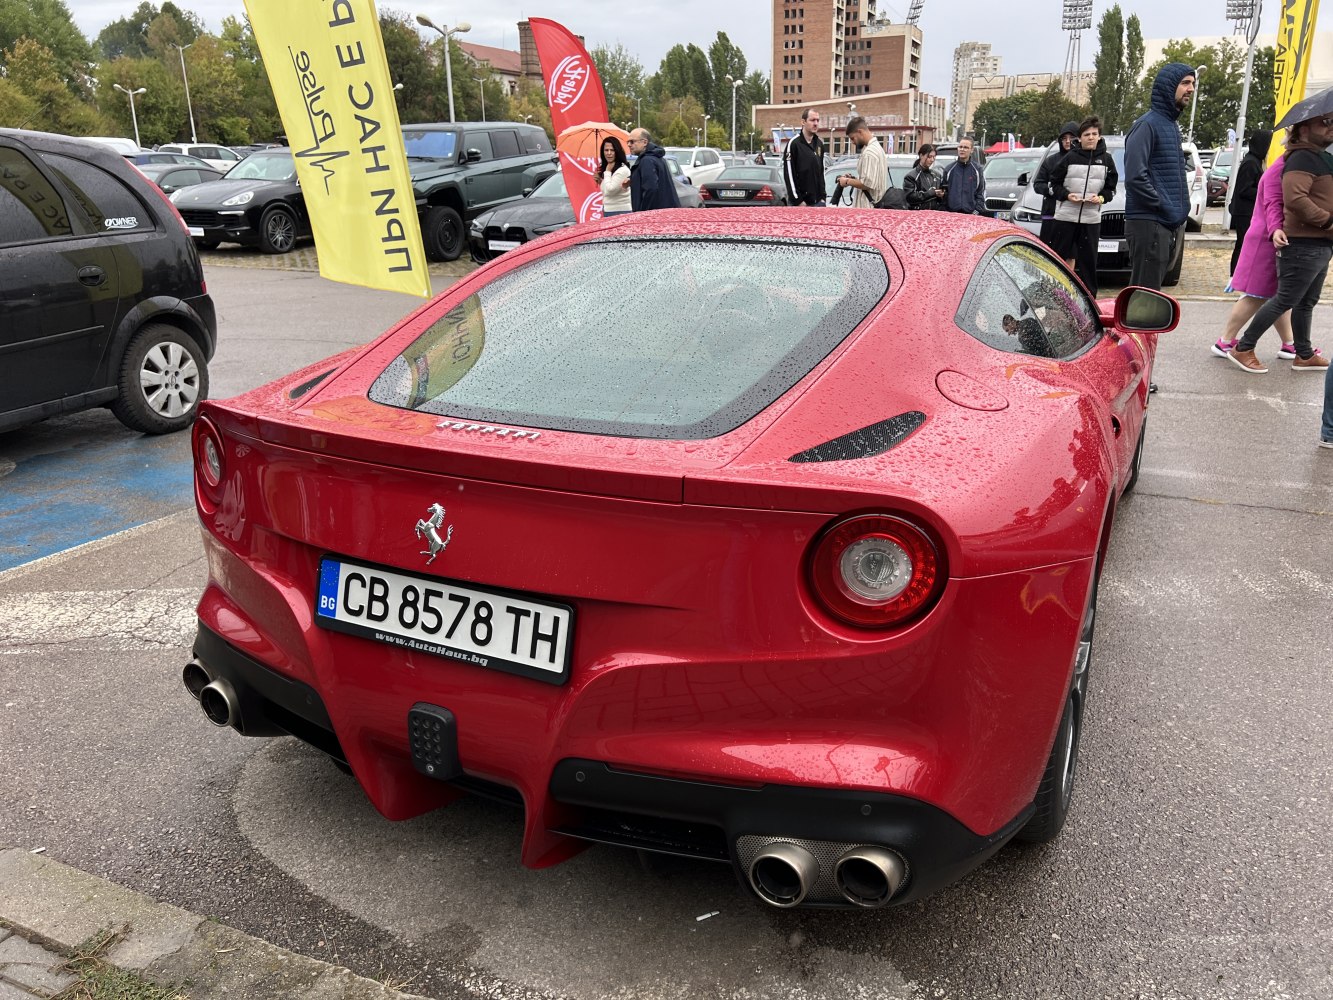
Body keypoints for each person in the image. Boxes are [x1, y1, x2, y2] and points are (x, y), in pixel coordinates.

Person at [1227, 111, 1333, 374]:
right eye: (1326, 122)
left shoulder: (1321, 158)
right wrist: (1328, 221)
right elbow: (1293, 199)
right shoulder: (1300, 159)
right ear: (1304, 129)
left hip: (1320, 242)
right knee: (1283, 298)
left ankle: (1303, 353)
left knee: (1305, 301)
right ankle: (1242, 347)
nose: (1331, 127)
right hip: (1304, 243)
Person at [1211, 155, 1296, 358]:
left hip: (1267, 235)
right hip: (1266, 238)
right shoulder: (1282, 168)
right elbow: (1274, 202)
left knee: (1277, 296)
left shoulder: (1284, 164)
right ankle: (1225, 341)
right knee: (1255, 295)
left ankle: (1289, 343)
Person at [1124, 63, 1196, 290]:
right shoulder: (1147, 125)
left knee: (1152, 295)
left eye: (1193, 83)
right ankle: (1137, 327)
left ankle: (1146, 327)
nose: (1191, 89)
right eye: (1185, 83)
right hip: (1149, 223)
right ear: (1168, 86)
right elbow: (1135, 176)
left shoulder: (1170, 125)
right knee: (1144, 296)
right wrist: (1162, 205)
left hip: (1162, 224)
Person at [1048, 116, 1118, 295]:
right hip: (1065, 217)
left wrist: (1101, 198)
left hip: (1090, 219)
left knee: (1088, 263)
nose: (1091, 137)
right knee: (1058, 261)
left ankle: (1090, 301)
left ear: (1100, 136)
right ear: (1080, 138)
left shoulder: (1107, 160)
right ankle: (1054, 295)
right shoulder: (1070, 157)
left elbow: (1111, 189)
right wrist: (1066, 195)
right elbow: (1053, 184)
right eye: (1087, 134)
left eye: (1094, 134)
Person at [1228, 130, 1272, 275]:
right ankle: (1236, 273)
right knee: (1242, 244)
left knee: (1244, 244)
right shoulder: (1250, 163)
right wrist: (1263, 192)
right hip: (1244, 212)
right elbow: (1244, 190)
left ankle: (1239, 273)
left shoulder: (1255, 161)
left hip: (1246, 211)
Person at [1032, 121, 1079, 244]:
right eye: (1064, 138)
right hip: (1052, 214)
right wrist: (1052, 190)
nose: (1068, 141)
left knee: (1071, 254)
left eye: (1072, 137)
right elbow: (1037, 184)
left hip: (1075, 214)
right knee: (1050, 254)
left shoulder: (1084, 161)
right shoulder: (1050, 161)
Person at [836, 117, 888, 209]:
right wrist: (854, 179)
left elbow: (867, 184)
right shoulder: (877, 148)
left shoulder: (869, 153)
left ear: (860, 132)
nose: (852, 142)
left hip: (867, 209)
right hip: (874, 207)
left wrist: (847, 181)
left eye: (853, 138)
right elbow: (871, 180)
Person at [627, 128, 680, 212]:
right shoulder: (656, 157)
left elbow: (650, 189)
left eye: (632, 141)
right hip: (665, 213)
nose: (629, 145)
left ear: (644, 142)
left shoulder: (647, 160)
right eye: (628, 142)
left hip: (654, 216)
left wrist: (642, 213)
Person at [783, 108, 827, 206]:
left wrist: (823, 197)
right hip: (800, 204)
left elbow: (821, 173)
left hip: (819, 203)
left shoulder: (819, 144)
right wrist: (798, 201)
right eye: (812, 120)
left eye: (817, 120)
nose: (816, 123)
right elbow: (789, 175)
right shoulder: (794, 144)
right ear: (803, 122)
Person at [941, 138, 985, 215]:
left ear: (971, 150)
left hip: (971, 215)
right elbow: (944, 193)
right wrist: (946, 212)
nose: (962, 149)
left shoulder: (977, 170)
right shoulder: (949, 169)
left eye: (966, 147)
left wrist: (976, 211)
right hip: (952, 215)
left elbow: (981, 193)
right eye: (960, 147)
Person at [595, 136, 632, 217]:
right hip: (608, 210)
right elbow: (606, 191)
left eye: (612, 150)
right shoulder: (609, 168)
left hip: (620, 211)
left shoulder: (623, 170)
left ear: (617, 151)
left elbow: (610, 191)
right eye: (606, 150)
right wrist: (600, 181)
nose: (609, 153)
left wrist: (607, 171)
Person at [903, 144, 943, 210]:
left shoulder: (937, 175)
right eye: (929, 157)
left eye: (934, 157)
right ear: (921, 156)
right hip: (917, 215)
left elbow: (942, 198)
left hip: (935, 215)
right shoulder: (911, 176)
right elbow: (910, 197)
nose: (932, 160)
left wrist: (941, 195)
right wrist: (931, 193)